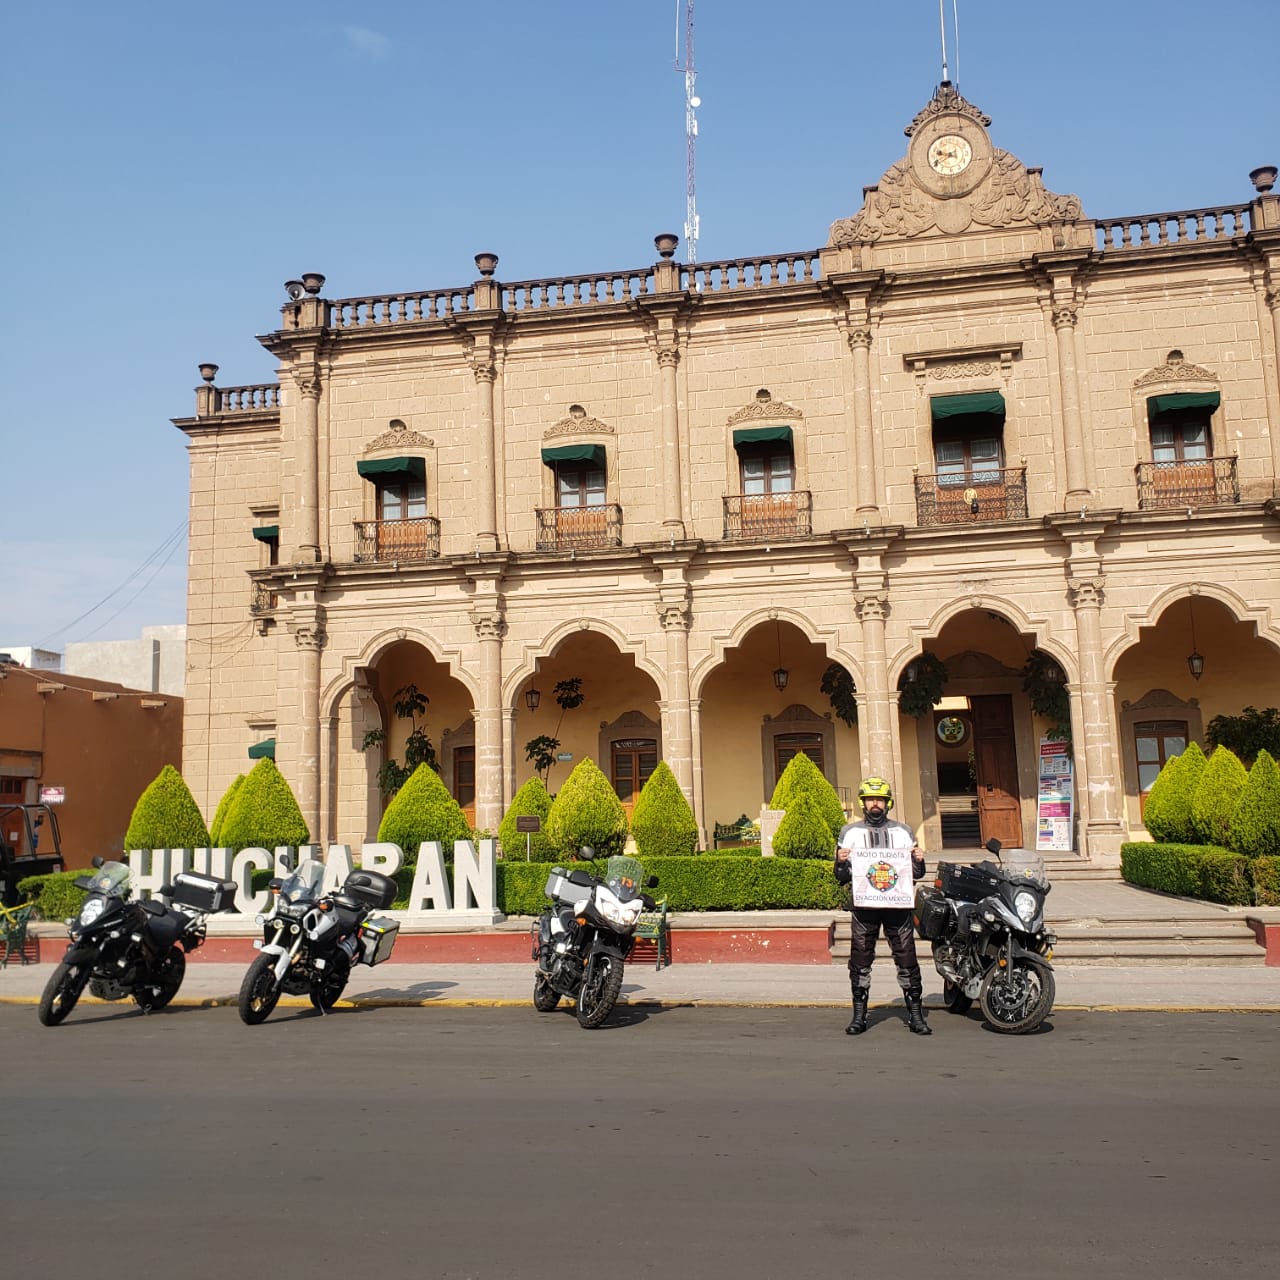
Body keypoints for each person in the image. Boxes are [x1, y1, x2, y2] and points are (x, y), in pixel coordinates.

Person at [834, 777, 931, 1036]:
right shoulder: (849, 833)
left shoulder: (904, 832)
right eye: (869, 800)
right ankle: (859, 1016)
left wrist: (920, 861)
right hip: (864, 908)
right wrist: (840, 861)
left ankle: (916, 1016)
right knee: (860, 960)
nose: (874, 804)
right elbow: (840, 876)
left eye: (879, 800)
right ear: (862, 803)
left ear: (888, 803)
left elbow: (916, 873)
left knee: (907, 959)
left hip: (898, 908)